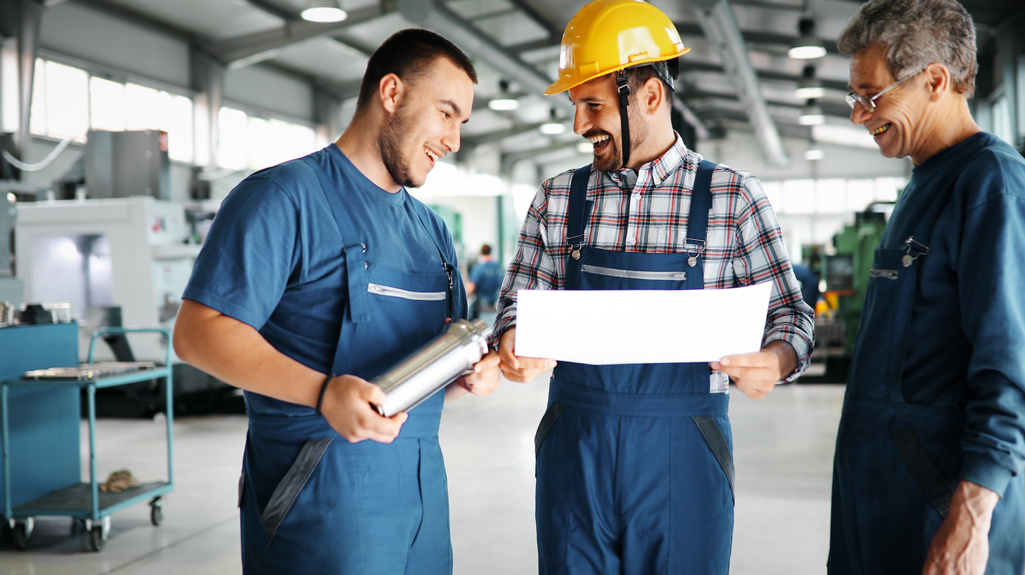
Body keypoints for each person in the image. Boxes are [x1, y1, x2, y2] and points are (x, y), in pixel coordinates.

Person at [493, 1, 814, 573]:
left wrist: (776, 358)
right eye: (575, 106)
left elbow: (791, 315)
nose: (578, 125)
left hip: (685, 449)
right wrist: (513, 339)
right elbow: (514, 304)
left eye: (592, 105)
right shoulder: (557, 198)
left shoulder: (732, 197)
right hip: (576, 444)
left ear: (649, 96)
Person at [172, 29, 501, 575]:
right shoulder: (282, 199)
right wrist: (322, 392)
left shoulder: (431, 231)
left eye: (461, 122)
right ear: (391, 93)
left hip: (421, 503)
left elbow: (441, 352)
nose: (454, 140)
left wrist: (469, 373)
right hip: (318, 502)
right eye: (446, 113)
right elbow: (198, 331)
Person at [827, 1, 1025, 573]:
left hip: (940, 515)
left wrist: (970, 517)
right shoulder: (920, 186)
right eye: (854, 97)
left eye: (872, 95)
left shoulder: (991, 186)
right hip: (883, 511)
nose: (860, 115)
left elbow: (1011, 369)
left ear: (934, 80)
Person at [466, 244, 502, 321]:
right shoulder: (498, 267)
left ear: (481, 252)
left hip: (481, 307)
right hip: (494, 305)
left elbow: (471, 286)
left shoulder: (479, 267)